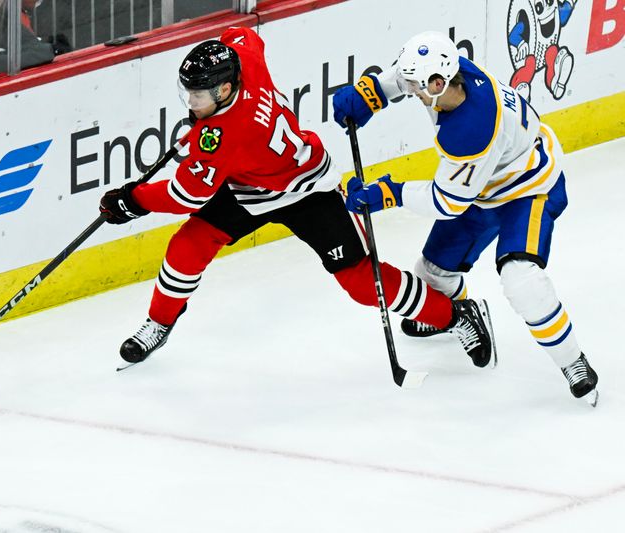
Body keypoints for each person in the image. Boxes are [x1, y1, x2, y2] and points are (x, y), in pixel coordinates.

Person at [98, 27, 496, 372]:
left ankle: (454, 314)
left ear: (224, 89)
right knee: (187, 247)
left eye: (199, 96)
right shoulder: (243, 57)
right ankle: (159, 324)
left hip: (309, 189)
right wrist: (208, 107)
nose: (191, 104)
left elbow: (187, 194)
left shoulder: (223, 137)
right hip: (250, 190)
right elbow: (245, 36)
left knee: (360, 282)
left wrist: (132, 201)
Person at [331, 31, 598, 405]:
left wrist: (388, 194)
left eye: (417, 88)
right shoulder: (452, 74)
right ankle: (466, 315)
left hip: (528, 190)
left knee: (521, 279)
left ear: (439, 85)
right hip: (484, 186)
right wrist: (372, 93)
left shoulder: (469, 130)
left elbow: (447, 202)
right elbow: (408, 74)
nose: (413, 92)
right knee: (431, 276)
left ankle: (573, 362)